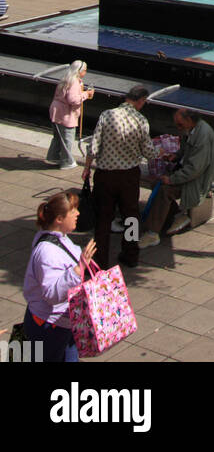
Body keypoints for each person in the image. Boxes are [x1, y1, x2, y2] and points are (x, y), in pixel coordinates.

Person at [83, 85, 157, 270]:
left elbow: (93, 147)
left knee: (103, 219)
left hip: (105, 175)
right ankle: (131, 254)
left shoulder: (106, 115)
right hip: (129, 176)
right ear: (140, 101)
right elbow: (149, 152)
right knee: (131, 217)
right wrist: (159, 151)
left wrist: (86, 168)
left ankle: (100, 260)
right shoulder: (141, 120)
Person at [21, 192, 97, 363]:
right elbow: (51, 295)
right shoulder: (47, 253)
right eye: (73, 211)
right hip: (47, 327)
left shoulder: (61, 238)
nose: (78, 213)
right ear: (59, 219)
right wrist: (79, 269)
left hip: (62, 323)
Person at [139, 108, 214, 246]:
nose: (178, 128)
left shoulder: (203, 136)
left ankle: (153, 233)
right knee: (157, 184)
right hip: (188, 171)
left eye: (180, 125)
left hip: (198, 179)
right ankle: (177, 215)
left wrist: (172, 179)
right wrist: (176, 156)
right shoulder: (191, 130)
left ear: (189, 120)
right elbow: (185, 150)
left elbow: (195, 169)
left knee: (164, 190)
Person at [46, 61, 94, 168]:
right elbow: (73, 100)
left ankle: (54, 156)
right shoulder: (74, 82)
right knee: (67, 138)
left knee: (58, 137)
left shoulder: (66, 78)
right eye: (85, 70)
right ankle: (66, 162)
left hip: (57, 111)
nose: (86, 72)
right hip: (65, 114)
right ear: (79, 71)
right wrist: (86, 94)